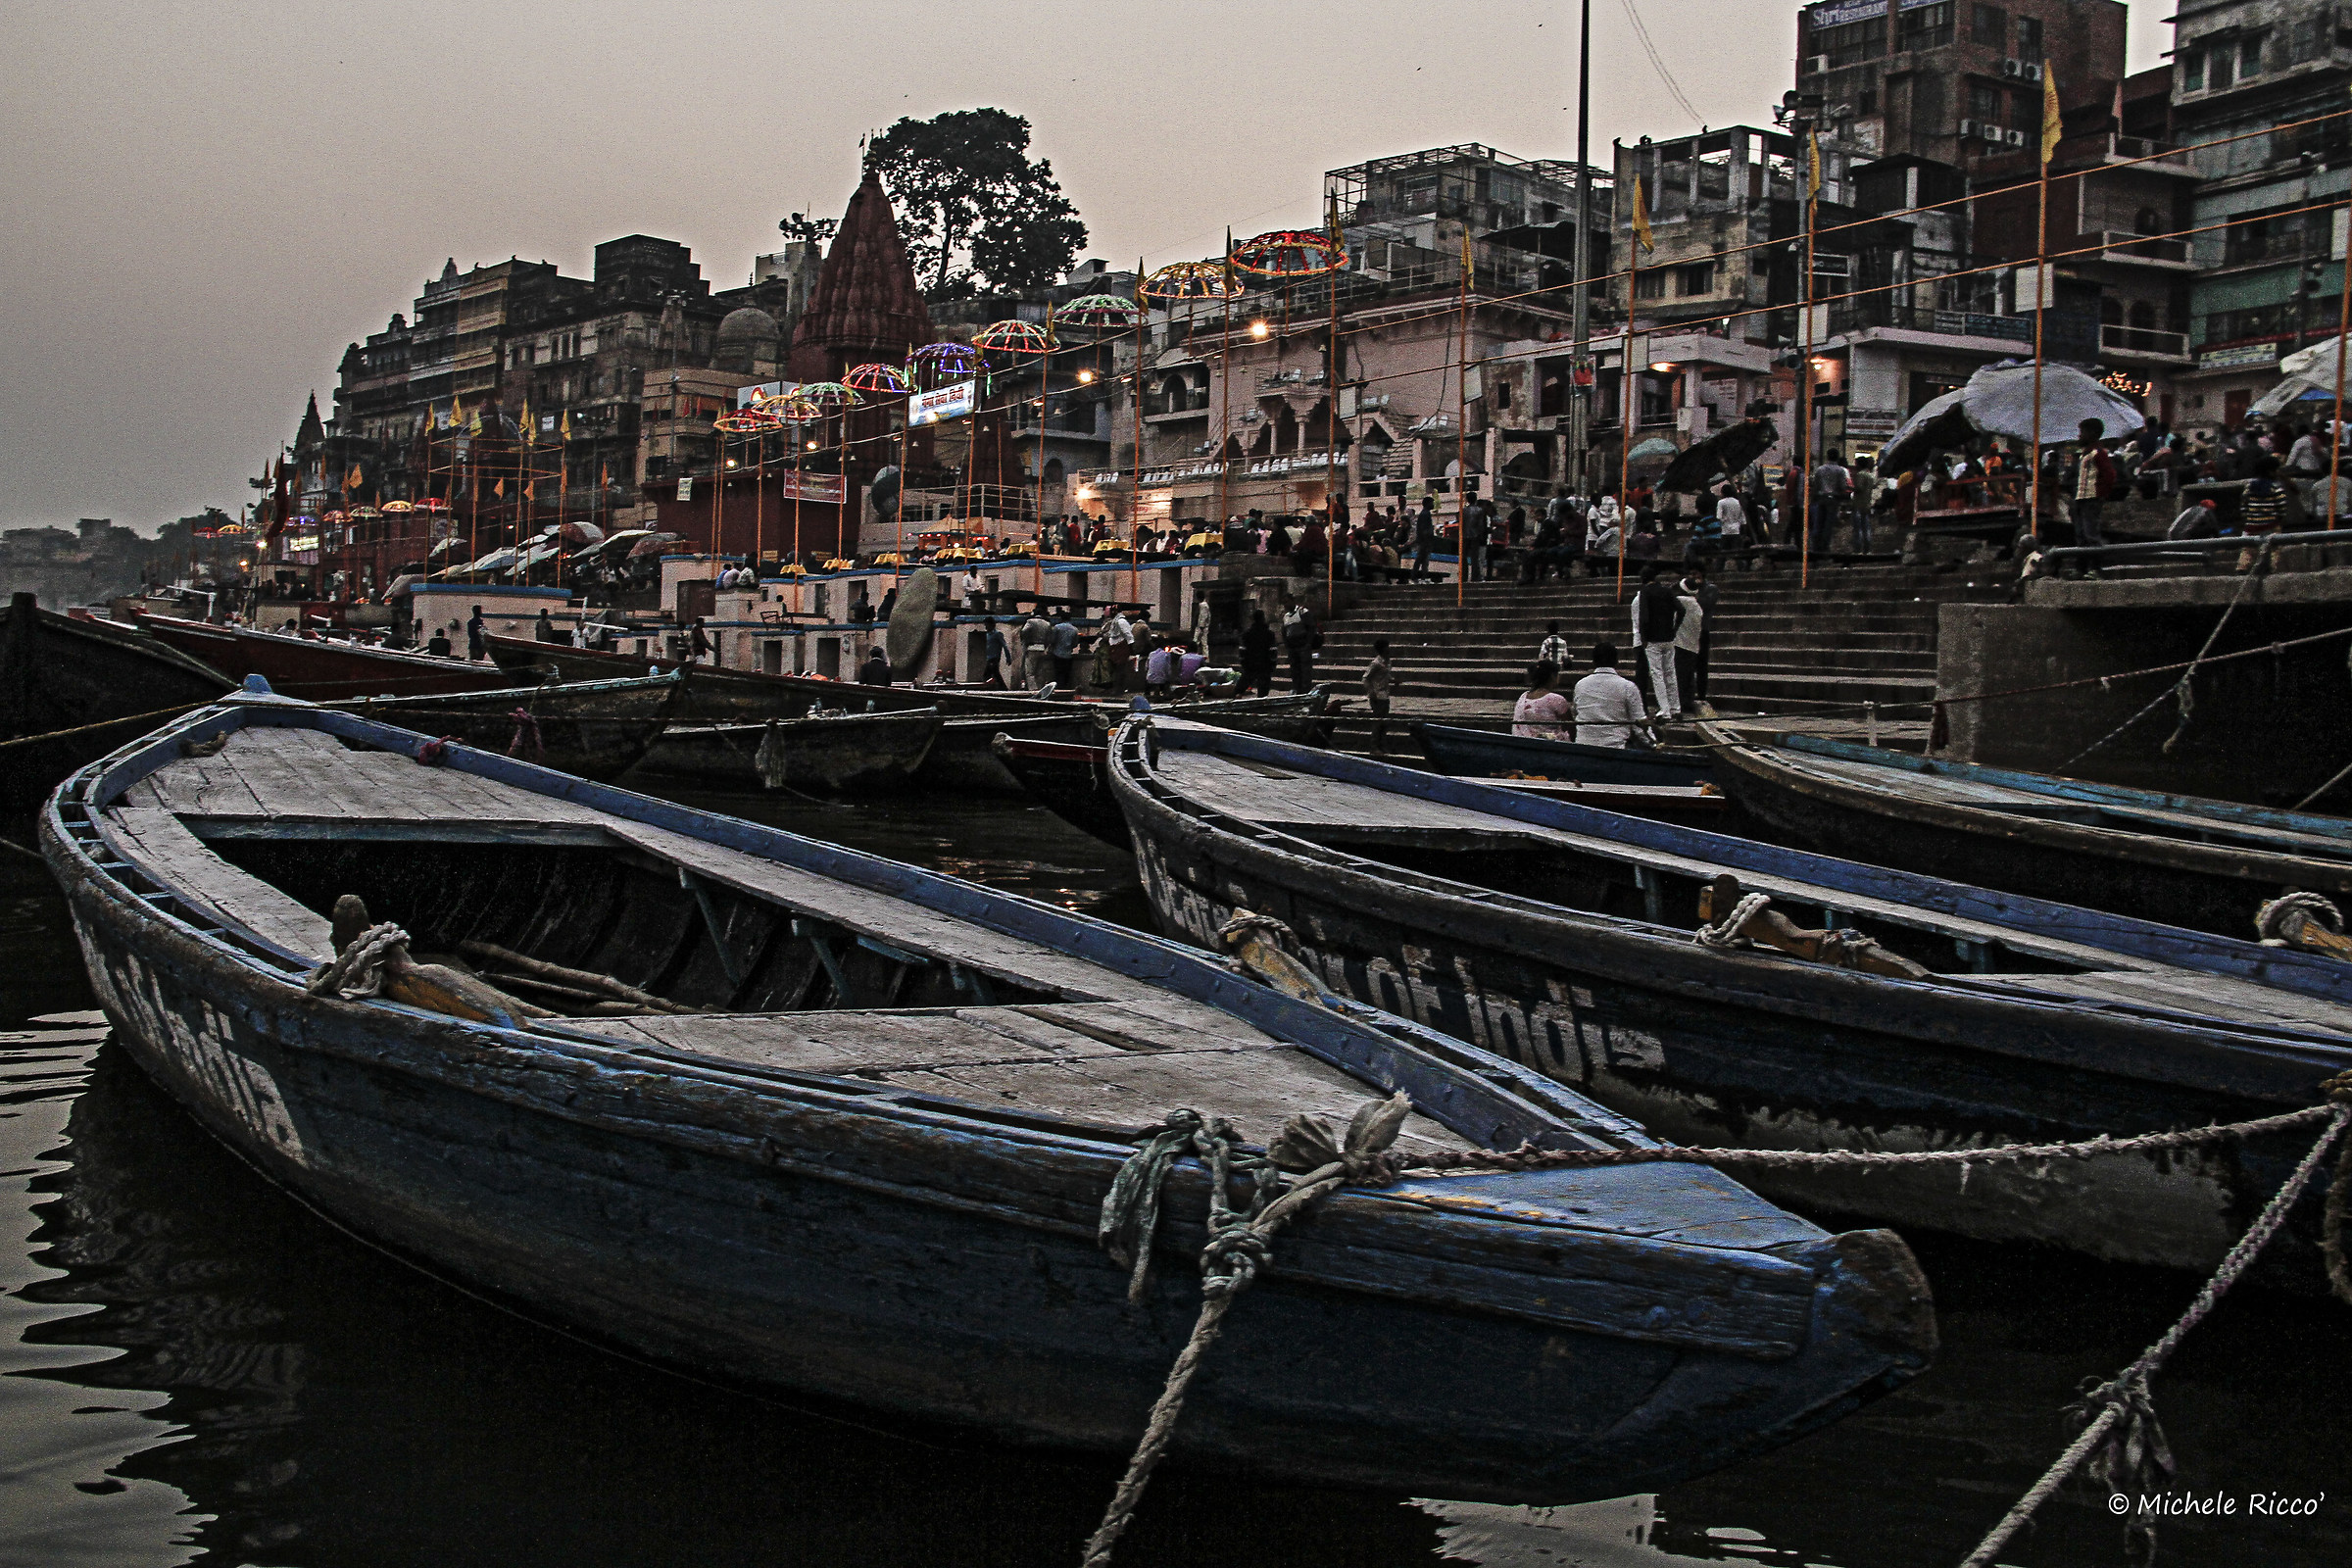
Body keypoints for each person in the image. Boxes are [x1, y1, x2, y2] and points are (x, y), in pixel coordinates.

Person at [1571, 643, 1650, 748]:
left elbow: (1575, 712)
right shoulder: (1628, 687)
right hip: (1616, 747)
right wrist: (1652, 743)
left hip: (1583, 745)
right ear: (1616, 661)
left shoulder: (1580, 685)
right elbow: (1640, 725)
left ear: (1593, 662)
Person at [1631, 565, 1684, 720]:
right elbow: (1681, 610)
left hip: (1653, 639)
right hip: (1668, 636)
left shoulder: (1645, 592)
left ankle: (1665, 710)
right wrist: (1674, 629)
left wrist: (1644, 638)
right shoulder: (1667, 591)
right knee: (1670, 673)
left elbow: (1644, 617)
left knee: (1657, 674)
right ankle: (1676, 708)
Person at [2072, 419, 2117, 549]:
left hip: (2091, 499)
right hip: (2081, 498)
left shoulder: (2097, 453)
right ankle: (2083, 566)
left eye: (2082, 432)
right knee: (2080, 534)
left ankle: (2094, 566)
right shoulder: (2084, 455)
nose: (2079, 436)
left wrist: (2100, 493)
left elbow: (2110, 475)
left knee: (2090, 534)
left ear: (2093, 433)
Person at [1681, 563, 1718, 715]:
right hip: (1688, 632)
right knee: (1686, 666)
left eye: (1696, 574)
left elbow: (1706, 605)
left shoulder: (1711, 589)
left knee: (1702, 665)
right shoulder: (1687, 589)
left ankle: (1701, 696)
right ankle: (1687, 697)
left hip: (1702, 631)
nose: (1694, 577)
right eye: (1691, 574)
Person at [1670, 572, 1705, 720]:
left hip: (1680, 643)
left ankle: (1680, 702)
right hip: (1693, 645)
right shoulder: (1697, 606)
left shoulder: (1681, 601)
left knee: (1679, 675)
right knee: (1689, 675)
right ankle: (1688, 700)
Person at [1511, 661, 1573, 739]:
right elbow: (1571, 728)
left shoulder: (1523, 697)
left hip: (1523, 744)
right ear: (1552, 676)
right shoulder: (1556, 699)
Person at [1812, 452, 1852, 556]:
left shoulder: (1819, 469)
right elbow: (1843, 486)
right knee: (1828, 524)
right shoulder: (1840, 470)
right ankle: (1825, 546)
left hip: (1821, 498)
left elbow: (1815, 486)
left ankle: (1816, 545)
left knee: (1819, 522)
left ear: (1827, 456)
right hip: (1834, 499)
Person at [1363, 636, 1396, 755]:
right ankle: (1374, 746)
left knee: (1384, 723)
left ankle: (1382, 745)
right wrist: (1371, 691)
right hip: (1377, 696)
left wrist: (1393, 681)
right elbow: (1365, 678)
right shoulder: (1376, 663)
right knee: (1378, 722)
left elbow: (1386, 676)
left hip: (1385, 695)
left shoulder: (1388, 662)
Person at [1281, 597, 1319, 693]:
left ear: (1293, 601)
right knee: (1295, 671)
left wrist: (1308, 643)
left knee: (1305, 670)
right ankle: (1297, 689)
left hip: (1303, 646)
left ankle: (1305, 691)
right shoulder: (1286, 617)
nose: (1286, 605)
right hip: (1292, 648)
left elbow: (1311, 627)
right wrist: (1287, 645)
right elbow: (1284, 632)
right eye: (1284, 603)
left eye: (1287, 602)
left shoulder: (1302, 612)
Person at [1239, 608, 1278, 697]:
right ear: (1263, 618)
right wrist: (1272, 664)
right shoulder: (1269, 634)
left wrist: (1243, 662)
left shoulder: (1247, 634)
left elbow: (1242, 650)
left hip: (1250, 664)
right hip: (1265, 664)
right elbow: (1273, 650)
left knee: (1242, 685)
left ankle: (1236, 696)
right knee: (1263, 690)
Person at [1101, 608, 1136, 692]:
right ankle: (1112, 687)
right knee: (1114, 668)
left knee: (1120, 669)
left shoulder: (1121, 621)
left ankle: (1118, 688)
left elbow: (1129, 636)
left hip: (1120, 648)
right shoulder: (1114, 621)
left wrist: (1131, 649)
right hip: (1114, 648)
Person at [1019, 607, 1054, 691]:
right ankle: (1040, 688)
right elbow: (1049, 638)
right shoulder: (1047, 624)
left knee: (1030, 672)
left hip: (1032, 648)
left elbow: (1024, 631)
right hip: (1042, 648)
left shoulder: (1030, 622)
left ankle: (1033, 689)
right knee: (1040, 671)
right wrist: (1045, 646)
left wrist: (1027, 640)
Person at [1049, 609, 1079, 690]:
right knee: (1066, 673)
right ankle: (1065, 688)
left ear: (1061, 619)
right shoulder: (1074, 629)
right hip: (1068, 655)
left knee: (1058, 673)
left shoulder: (1057, 627)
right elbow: (1075, 643)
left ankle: (1059, 688)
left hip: (1057, 654)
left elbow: (1053, 640)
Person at [981, 616, 1010, 687]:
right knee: (995, 674)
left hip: (995, 657)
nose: (986, 627)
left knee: (988, 674)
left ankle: (1002, 688)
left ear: (992, 625)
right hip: (989, 657)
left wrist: (1008, 657)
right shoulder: (987, 634)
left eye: (987, 625)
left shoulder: (997, 634)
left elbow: (1004, 645)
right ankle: (1001, 688)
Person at [1412, 497, 1436, 577]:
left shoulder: (1424, 513)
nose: (1433, 505)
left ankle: (1419, 575)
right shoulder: (1425, 514)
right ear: (1427, 503)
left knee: (1421, 559)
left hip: (1423, 540)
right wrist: (1427, 541)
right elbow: (1424, 529)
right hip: (1425, 541)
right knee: (1423, 559)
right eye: (1431, 503)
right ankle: (1420, 575)